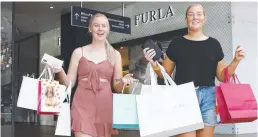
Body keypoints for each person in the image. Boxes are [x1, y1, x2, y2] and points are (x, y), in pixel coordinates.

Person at [143, 4, 245, 137]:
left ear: (204, 18)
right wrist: (154, 64)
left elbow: (221, 76)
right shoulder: (176, 43)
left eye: (198, 14)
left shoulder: (214, 44)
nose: (195, 17)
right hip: (183, 97)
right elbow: (165, 73)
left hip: (208, 97)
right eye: (191, 14)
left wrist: (236, 61)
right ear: (186, 19)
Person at [51, 13, 134, 137]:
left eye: (103, 26)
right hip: (82, 105)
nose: (100, 29)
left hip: (105, 106)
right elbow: (69, 83)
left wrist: (123, 81)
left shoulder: (115, 55)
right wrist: (59, 71)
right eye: (96, 25)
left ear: (108, 29)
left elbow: (116, 87)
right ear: (90, 29)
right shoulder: (79, 52)